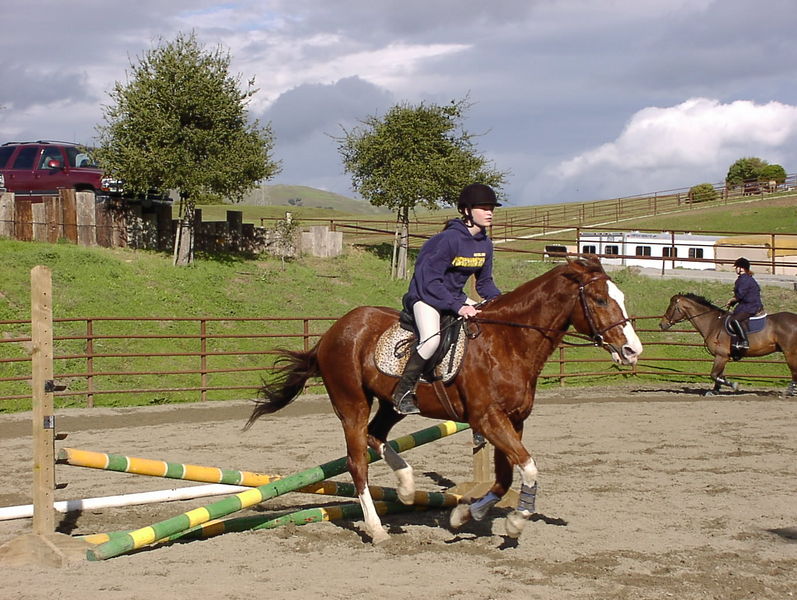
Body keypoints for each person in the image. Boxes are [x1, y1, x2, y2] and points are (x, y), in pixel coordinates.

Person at [391, 183, 502, 415]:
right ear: (467, 211)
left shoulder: (485, 244)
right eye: (483, 208)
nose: (490, 212)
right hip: (425, 297)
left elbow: (484, 283)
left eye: (491, 208)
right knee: (431, 340)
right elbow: (430, 282)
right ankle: (403, 392)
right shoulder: (447, 240)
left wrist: (500, 303)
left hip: (455, 297)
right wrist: (458, 306)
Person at [727, 257, 763, 353]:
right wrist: (734, 301)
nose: (736, 269)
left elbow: (740, 295)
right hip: (747, 305)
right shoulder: (745, 278)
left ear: (741, 268)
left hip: (750, 306)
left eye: (736, 267)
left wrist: (732, 300)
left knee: (734, 320)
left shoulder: (744, 279)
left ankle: (744, 341)